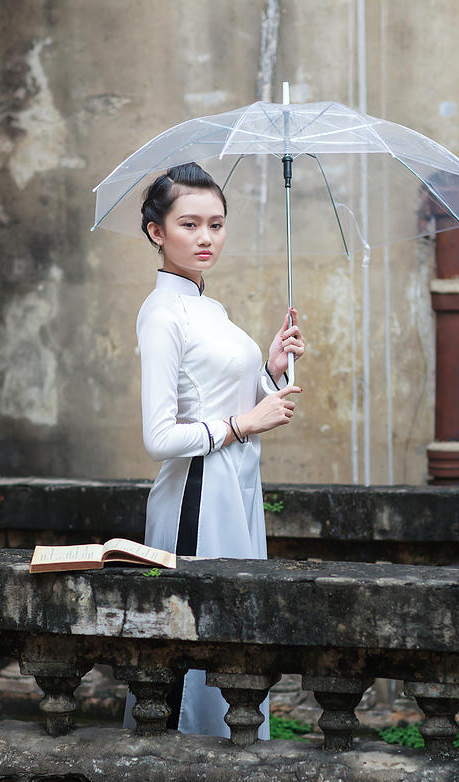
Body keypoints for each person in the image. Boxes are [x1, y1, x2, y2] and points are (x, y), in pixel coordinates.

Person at [124, 163, 304, 738]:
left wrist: (271, 369)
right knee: (196, 635)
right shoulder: (162, 314)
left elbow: (232, 398)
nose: (206, 238)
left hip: (237, 488)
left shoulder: (212, 309)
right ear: (157, 232)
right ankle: (181, 777)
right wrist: (245, 421)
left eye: (217, 225)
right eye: (190, 224)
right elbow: (160, 438)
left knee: (237, 635)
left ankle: (241, 760)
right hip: (196, 498)